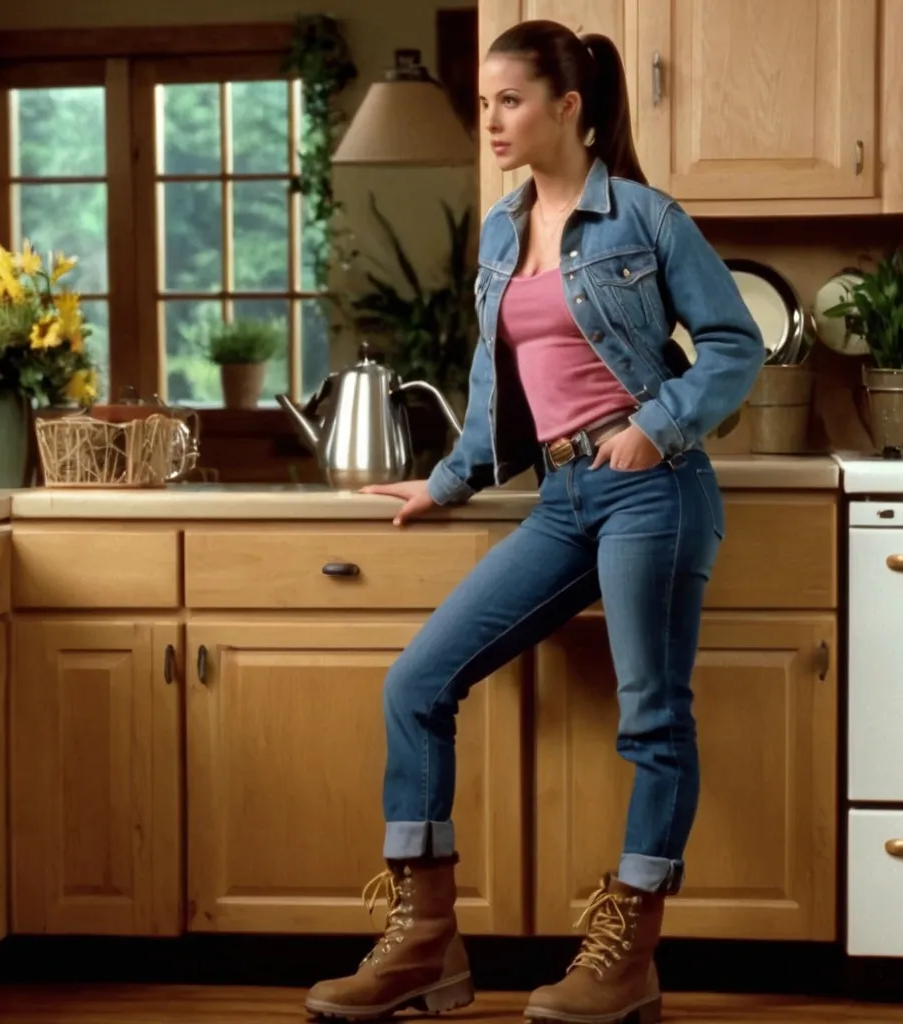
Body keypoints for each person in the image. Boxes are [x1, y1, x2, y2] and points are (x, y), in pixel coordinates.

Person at [304, 18, 764, 1024]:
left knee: (651, 715)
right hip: (561, 498)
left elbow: (735, 343)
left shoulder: (643, 216)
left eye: (509, 101)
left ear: (569, 107)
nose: (493, 122)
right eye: (485, 106)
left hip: (653, 487)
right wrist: (449, 479)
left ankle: (626, 951)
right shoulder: (506, 228)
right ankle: (424, 941)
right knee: (416, 682)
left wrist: (660, 423)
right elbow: (493, 378)